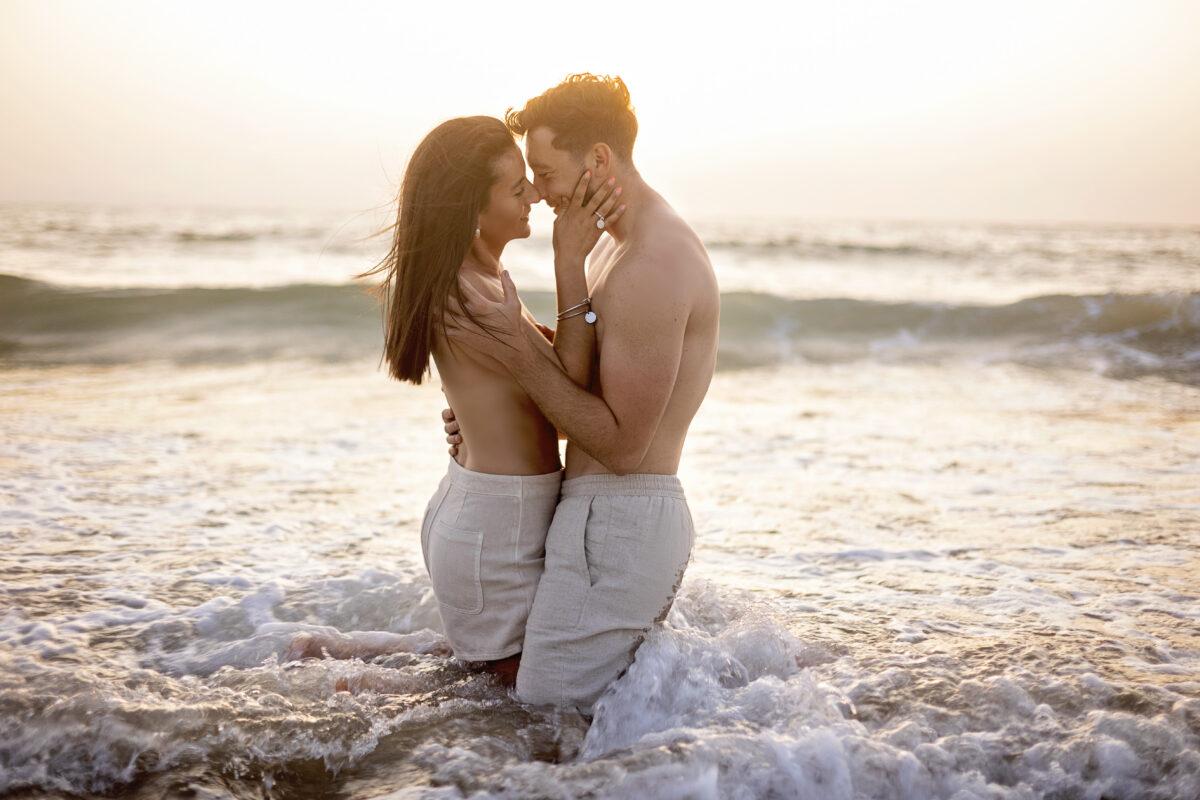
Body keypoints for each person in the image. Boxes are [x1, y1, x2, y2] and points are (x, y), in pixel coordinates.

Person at [285, 115, 626, 688]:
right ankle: (338, 683)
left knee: (490, 676)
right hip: (499, 525)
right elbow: (570, 384)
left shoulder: (485, 277)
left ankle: (325, 653)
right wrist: (571, 263)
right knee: (507, 693)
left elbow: (558, 395)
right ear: (472, 209)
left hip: (496, 511)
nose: (536, 197)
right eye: (518, 189)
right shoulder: (468, 294)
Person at [441, 74, 720, 714]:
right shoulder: (608, 249)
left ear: (597, 159)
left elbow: (623, 444)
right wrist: (494, 414)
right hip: (600, 517)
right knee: (525, 705)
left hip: (621, 521)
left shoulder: (652, 263)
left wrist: (516, 353)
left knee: (546, 719)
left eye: (544, 172)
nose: (537, 192)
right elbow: (587, 400)